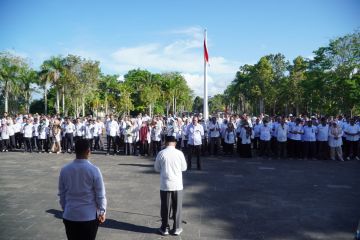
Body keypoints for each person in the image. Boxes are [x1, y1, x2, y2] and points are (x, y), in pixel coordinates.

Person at [58, 139, 107, 240]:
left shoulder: (65, 169)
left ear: (75, 151)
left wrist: (65, 208)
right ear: (88, 151)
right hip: (88, 216)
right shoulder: (94, 170)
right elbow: (100, 194)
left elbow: (62, 194)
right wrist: (102, 211)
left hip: (70, 215)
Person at [154, 136, 187, 236]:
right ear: (175, 143)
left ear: (165, 142)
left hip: (165, 184)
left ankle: (164, 228)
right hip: (177, 184)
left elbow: (157, 168)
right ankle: (176, 228)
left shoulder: (161, 153)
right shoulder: (179, 153)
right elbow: (184, 168)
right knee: (177, 207)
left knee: (165, 207)